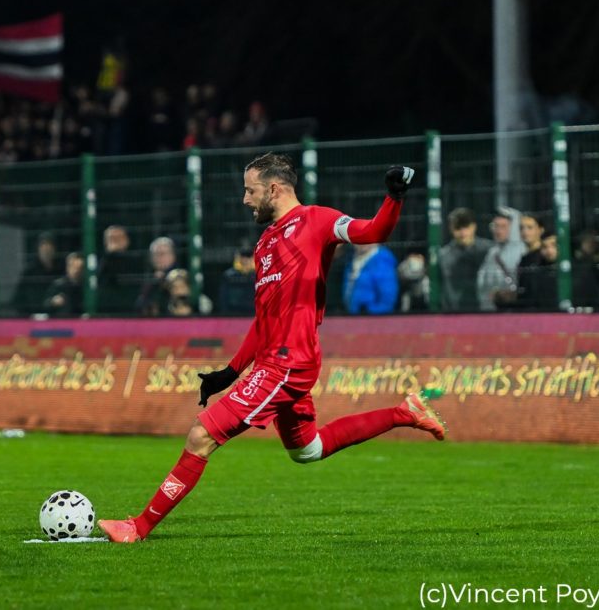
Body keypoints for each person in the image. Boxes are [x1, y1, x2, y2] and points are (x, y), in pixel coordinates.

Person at [98, 153, 445, 543]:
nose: (245, 199)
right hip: (272, 360)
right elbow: (263, 320)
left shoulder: (318, 220)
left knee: (201, 435)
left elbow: (373, 231)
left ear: (274, 189)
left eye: (250, 191)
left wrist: (394, 198)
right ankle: (404, 412)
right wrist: (230, 372)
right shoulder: (264, 243)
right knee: (308, 450)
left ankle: (138, 527)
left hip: (289, 363)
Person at [439, 208, 492, 312]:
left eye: (466, 227)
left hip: (486, 312)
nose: (463, 233)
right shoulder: (443, 256)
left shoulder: (490, 250)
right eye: (458, 228)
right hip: (454, 312)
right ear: (450, 229)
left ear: (474, 227)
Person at [476, 207, 524, 311]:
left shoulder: (522, 252)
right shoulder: (492, 253)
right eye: (495, 226)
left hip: (514, 310)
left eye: (503, 226)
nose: (498, 231)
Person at [11, 233, 63, 315]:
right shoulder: (29, 272)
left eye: (49, 245)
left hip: (56, 317)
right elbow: (18, 301)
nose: (46, 249)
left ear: (54, 248)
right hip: (33, 317)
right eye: (43, 245)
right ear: (38, 248)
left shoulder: (61, 270)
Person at [342, 243, 398, 315]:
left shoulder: (382, 261)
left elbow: (387, 299)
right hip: (353, 316)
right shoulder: (353, 259)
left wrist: (370, 313)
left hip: (372, 317)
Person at [97, 225, 137, 314]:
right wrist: (110, 255)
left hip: (130, 308)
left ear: (126, 241)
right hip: (105, 309)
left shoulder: (137, 259)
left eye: (118, 238)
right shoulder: (100, 261)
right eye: (111, 239)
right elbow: (99, 280)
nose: (115, 242)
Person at [136, 237, 178, 316]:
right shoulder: (146, 277)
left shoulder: (180, 275)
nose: (159, 257)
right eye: (155, 254)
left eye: (162, 254)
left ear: (173, 256)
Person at [218, 244, 256, 315]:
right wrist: (225, 313)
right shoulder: (229, 276)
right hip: (233, 313)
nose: (246, 259)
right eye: (243, 256)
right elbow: (223, 297)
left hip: (253, 312)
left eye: (248, 256)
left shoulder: (259, 275)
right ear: (239, 258)